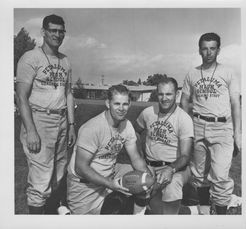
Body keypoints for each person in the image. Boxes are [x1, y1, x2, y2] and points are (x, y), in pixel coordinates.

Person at [16, 14, 76, 214]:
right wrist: (31, 130)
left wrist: (71, 125)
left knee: (58, 176)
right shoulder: (30, 58)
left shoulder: (65, 60)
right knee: (41, 180)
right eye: (53, 30)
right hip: (39, 119)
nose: (57, 35)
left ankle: (51, 219)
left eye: (61, 31)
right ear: (43, 32)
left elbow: (68, 94)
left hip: (61, 120)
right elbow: (21, 97)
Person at [180, 32, 241, 214]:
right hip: (198, 126)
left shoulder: (228, 72)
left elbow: (235, 103)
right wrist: (186, 129)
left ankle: (221, 217)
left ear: (218, 50)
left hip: (222, 127)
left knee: (220, 177)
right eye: (205, 49)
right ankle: (206, 214)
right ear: (200, 50)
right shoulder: (192, 73)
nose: (208, 52)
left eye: (212, 48)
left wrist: (237, 133)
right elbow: (184, 102)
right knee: (199, 175)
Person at [67, 84, 151, 214]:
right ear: (108, 103)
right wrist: (110, 184)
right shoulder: (92, 128)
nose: (121, 108)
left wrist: (148, 178)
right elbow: (81, 167)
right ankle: (64, 210)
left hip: (110, 173)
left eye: (125, 104)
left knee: (144, 177)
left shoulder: (126, 125)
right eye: (117, 104)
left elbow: (135, 158)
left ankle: (137, 220)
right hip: (85, 184)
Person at [134, 77, 194, 214]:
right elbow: (134, 133)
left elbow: (185, 156)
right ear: (156, 93)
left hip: (176, 168)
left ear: (176, 95)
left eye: (169, 94)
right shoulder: (148, 112)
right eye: (161, 94)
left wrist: (170, 169)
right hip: (150, 167)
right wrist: (141, 159)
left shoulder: (184, 119)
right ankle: (186, 212)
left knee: (172, 187)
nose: (164, 98)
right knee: (135, 187)